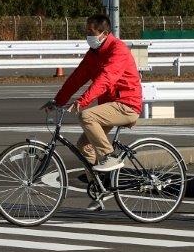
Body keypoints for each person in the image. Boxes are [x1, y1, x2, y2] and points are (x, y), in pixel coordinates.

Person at [43, 13, 143, 184]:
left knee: (86, 116)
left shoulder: (118, 50)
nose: (88, 36)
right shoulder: (94, 53)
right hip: (111, 105)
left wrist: (82, 101)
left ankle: (109, 156)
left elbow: (106, 79)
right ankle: (97, 187)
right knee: (84, 145)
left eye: (91, 32)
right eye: (86, 32)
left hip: (127, 104)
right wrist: (58, 100)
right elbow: (77, 77)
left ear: (104, 33)